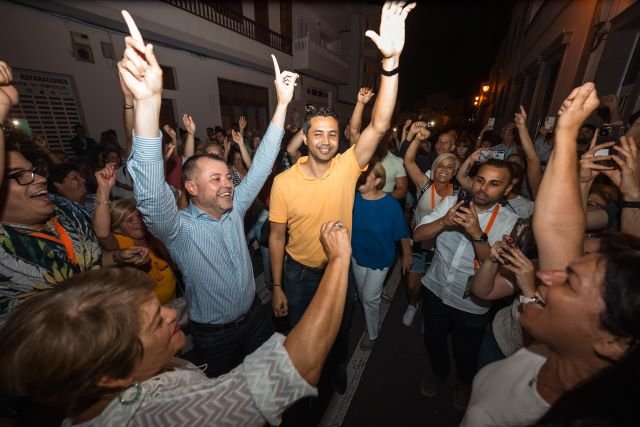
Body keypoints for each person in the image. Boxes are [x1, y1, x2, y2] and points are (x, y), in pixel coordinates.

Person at [0, 214, 353, 426]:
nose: (172, 314)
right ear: (111, 376)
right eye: (156, 322)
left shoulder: (104, 392)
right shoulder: (165, 417)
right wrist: (337, 260)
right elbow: (299, 367)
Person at [122, 12, 298, 378]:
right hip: (214, 337)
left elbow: (262, 164)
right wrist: (147, 104)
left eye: (227, 176)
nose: (228, 183)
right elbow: (152, 195)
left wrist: (281, 105)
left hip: (256, 319)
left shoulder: (234, 210)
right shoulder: (178, 228)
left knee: (268, 383)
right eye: (215, 178)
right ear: (191, 188)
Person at [462, 83, 640, 426]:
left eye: (571, 283)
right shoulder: (553, 349)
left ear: (612, 344)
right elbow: (559, 229)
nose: (545, 273)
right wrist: (566, 132)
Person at [269, 1, 415, 393]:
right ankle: (301, 382)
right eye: (318, 132)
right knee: (300, 333)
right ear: (306, 135)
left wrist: (391, 63)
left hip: (338, 267)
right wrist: (278, 285)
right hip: (298, 274)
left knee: (338, 328)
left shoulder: (349, 166)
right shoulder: (284, 182)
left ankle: (335, 368)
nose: (326, 139)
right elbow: (277, 237)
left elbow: (381, 123)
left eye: (333, 134)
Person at [0, 59, 149, 326]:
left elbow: (90, 262)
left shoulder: (65, 211)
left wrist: (116, 257)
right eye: (20, 176)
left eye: (35, 171)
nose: (38, 180)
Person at [414, 159, 518, 410]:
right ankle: (439, 373)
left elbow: (495, 269)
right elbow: (418, 235)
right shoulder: (451, 203)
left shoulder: (510, 222)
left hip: (473, 302)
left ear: (507, 188)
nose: (483, 188)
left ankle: (463, 382)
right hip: (435, 288)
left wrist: (476, 234)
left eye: (494, 184)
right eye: (480, 180)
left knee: (466, 349)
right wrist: (443, 222)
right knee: (434, 339)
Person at [92, 163, 177, 304]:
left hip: (175, 303)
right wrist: (104, 189)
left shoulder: (153, 236)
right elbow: (102, 234)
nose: (137, 222)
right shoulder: (121, 243)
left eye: (139, 217)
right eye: (129, 220)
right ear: (118, 228)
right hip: (146, 313)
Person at [351, 161, 411, 350]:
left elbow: (402, 231)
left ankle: (372, 333)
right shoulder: (352, 199)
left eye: (365, 176)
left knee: (369, 297)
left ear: (377, 180)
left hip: (381, 258)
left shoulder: (390, 205)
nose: (359, 179)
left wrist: (407, 255)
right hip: (358, 255)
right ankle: (371, 317)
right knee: (362, 294)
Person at [403, 136, 459, 326]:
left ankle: (428, 315)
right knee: (412, 286)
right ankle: (412, 305)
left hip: (441, 250)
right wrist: (417, 139)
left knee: (433, 289)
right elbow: (408, 161)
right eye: (440, 166)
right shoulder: (424, 184)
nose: (444, 170)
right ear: (434, 169)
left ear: (455, 172)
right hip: (418, 245)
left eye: (449, 167)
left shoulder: (458, 194)